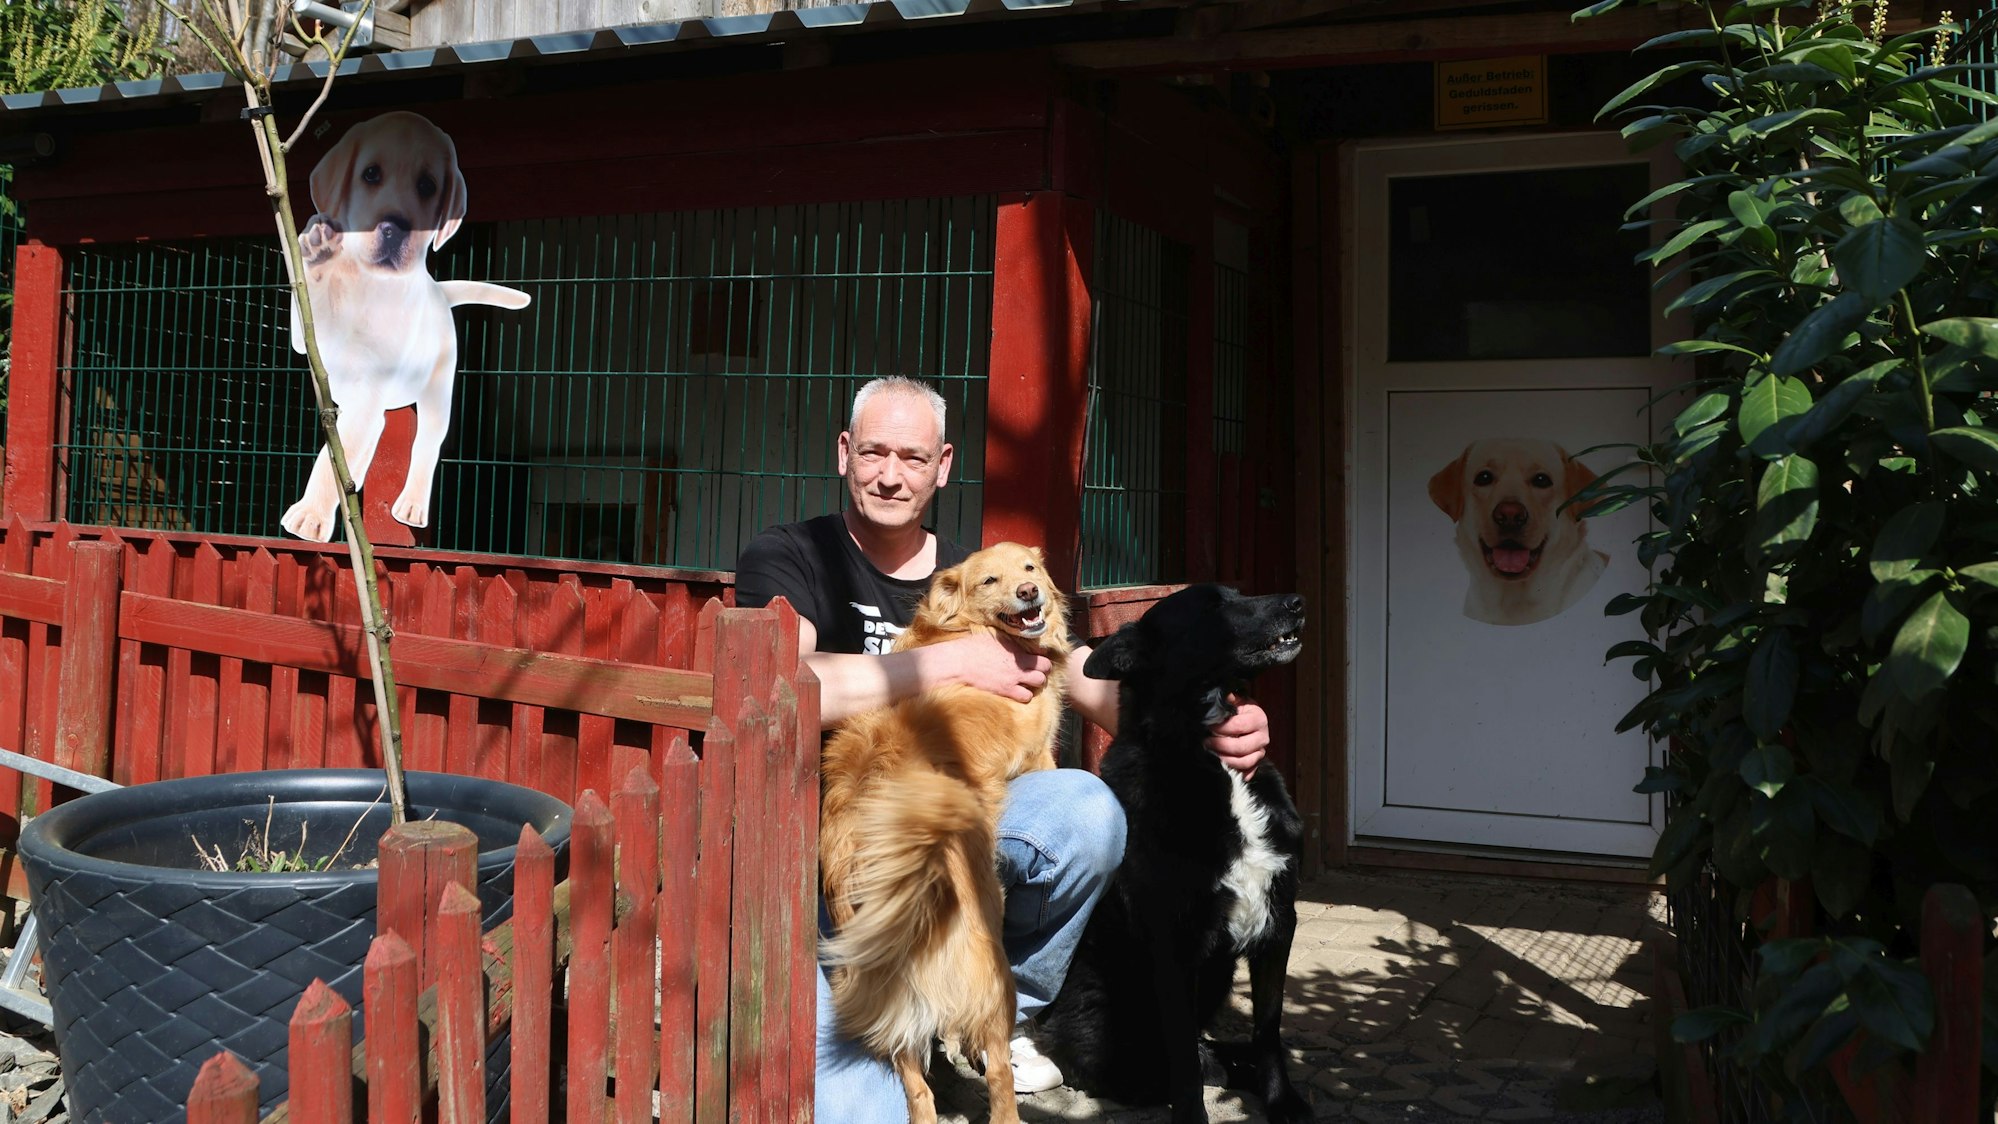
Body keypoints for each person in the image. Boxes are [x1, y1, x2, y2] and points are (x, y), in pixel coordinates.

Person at [734, 375, 1271, 1123]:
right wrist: (944, 662)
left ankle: (990, 1009)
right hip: (849, 862)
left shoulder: (981, 570)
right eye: (876, 453)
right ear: (844, 452)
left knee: (1086, 809)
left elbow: (1079, 672)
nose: (892, 474)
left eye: (913, 457)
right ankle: (923, 1010)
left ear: (944, 465)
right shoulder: (793, 557)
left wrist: (1209, 722)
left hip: (971, 829)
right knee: (860, 1115)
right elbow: (778, 681)